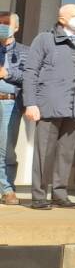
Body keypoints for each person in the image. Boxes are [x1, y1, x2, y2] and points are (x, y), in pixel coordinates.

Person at [23, 4, 75, 210]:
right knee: (44, 153)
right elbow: (30, 72)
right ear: (62, 19)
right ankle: (39, 195)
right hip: (49, 104)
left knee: (66, 153)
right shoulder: (45, 39)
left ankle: (60, 193)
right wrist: (31, 103)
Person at [0, 13, 27, 206]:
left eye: (7, 24)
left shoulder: (26, 51)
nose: (3, 26)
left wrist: (7, 73)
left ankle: (8, 187)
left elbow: (29, 77)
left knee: (6, 148)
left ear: (16, 28)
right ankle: (5, 189)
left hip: (10, 103)